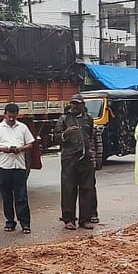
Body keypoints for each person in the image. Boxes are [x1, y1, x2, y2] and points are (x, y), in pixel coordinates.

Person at [0, 103, 34, 234]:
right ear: (5, 115)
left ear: (17, 115)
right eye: (9, 117)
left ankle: (25, 223)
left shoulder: (23, 128)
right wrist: (2, 149)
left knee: (21, 196)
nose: (12, 119)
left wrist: (20, 149)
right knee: (6, 197)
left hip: (19, 166)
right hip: (4, 167)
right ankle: (9, 222)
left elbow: (30, 144)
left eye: (14, 117)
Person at [53, 95, 96, 230]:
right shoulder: (64, 119)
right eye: (72, 104)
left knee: (87, 189)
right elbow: (55, 137)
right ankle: (69, 219)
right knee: (68, 189)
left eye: (77, 104)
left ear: (82, 105)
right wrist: (65, 133)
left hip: (86, 158)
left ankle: (85, 219)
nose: (74, 106)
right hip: (69, 159)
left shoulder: (88, 118)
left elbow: (90, 135)